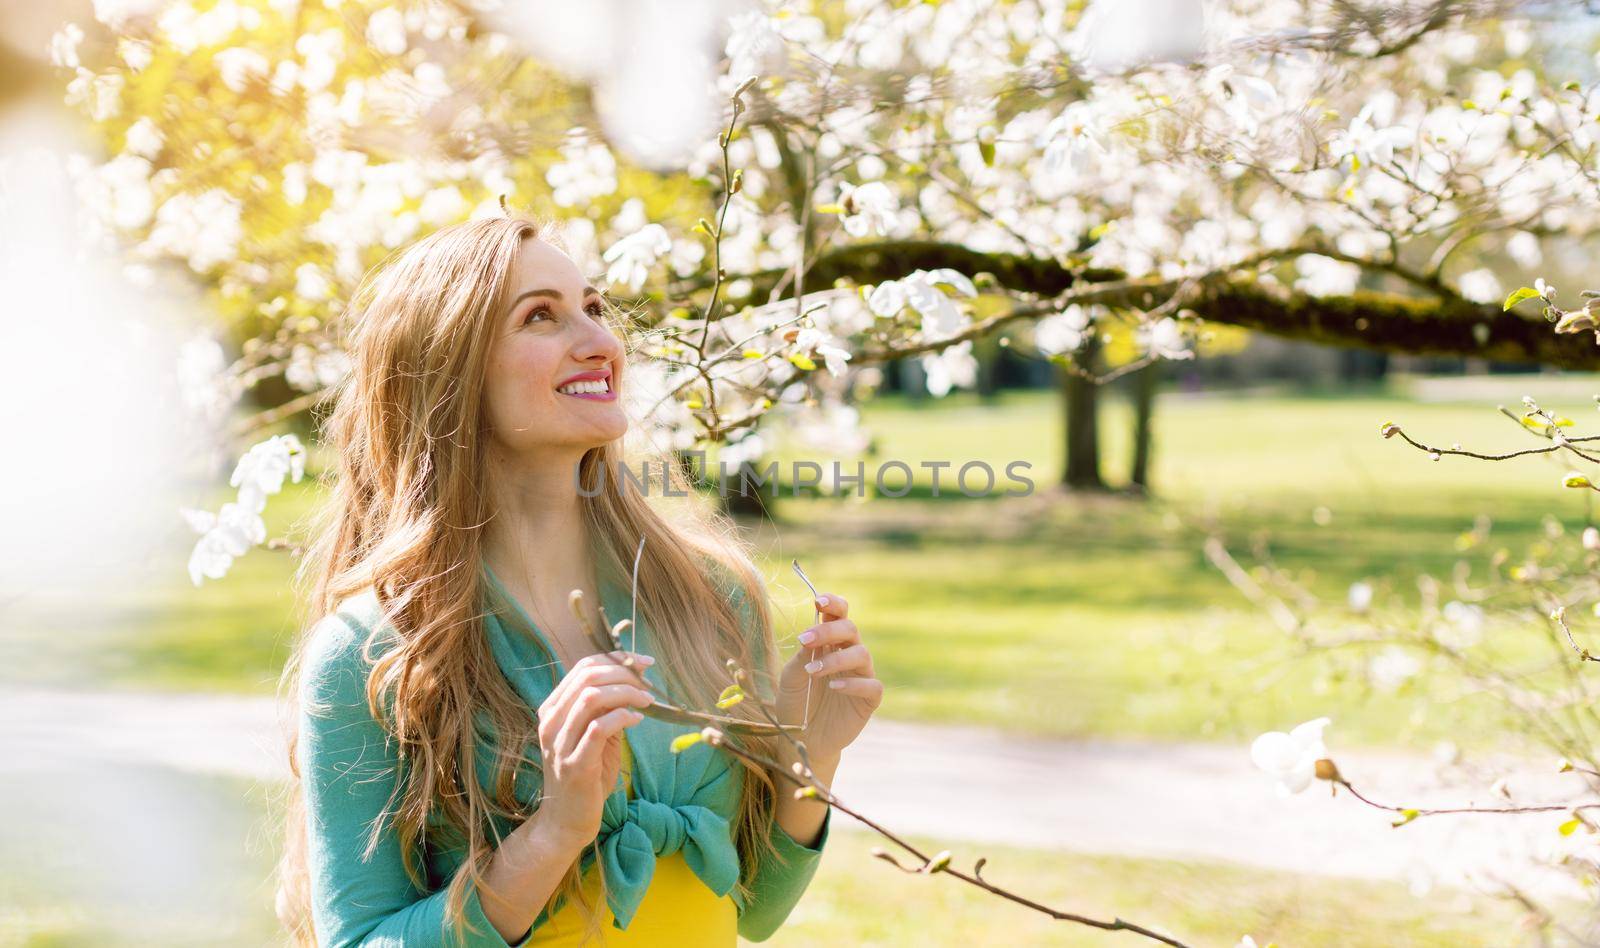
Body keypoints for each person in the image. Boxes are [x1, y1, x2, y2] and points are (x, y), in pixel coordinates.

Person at [271, 215, 883, 946]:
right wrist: (554, 834)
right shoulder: (373, 652)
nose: (600, 342)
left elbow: (753, 908)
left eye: (593, 309)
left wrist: (809, 756)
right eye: (541, 316)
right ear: (450, 373)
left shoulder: (713, 598)